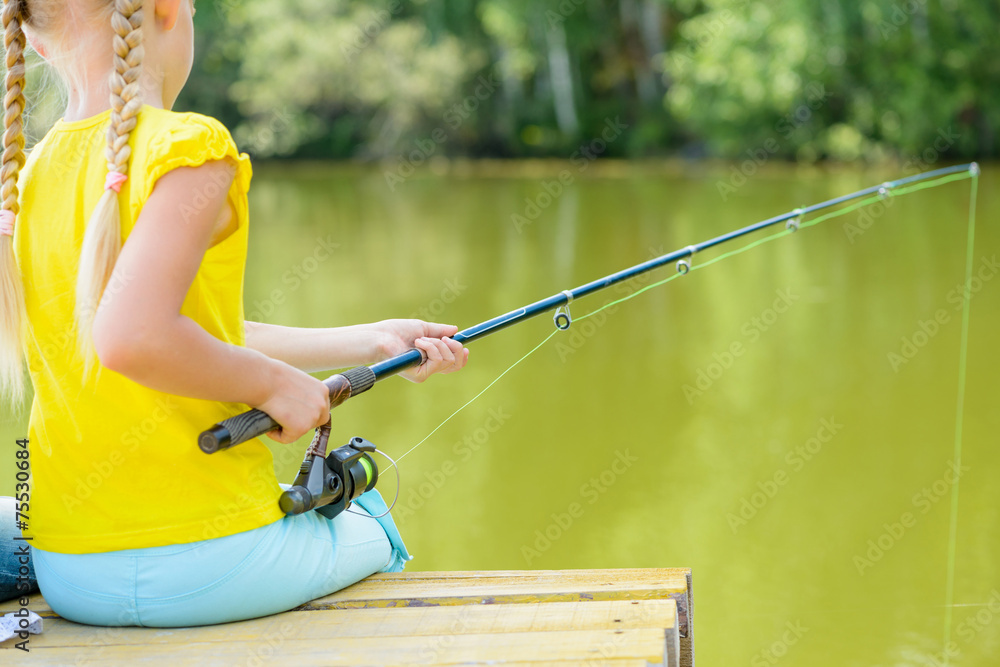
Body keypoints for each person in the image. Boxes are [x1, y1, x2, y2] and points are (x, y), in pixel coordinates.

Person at [0, 0, 468, 625]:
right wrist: (275, 386)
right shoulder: (190, 147)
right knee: (372, 515)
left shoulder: (25, 179)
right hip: (212, 565)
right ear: (168, 10)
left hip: (69, 570)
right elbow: (133, 336)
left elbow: (181, 335)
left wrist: (372, 338)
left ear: (34, 37)